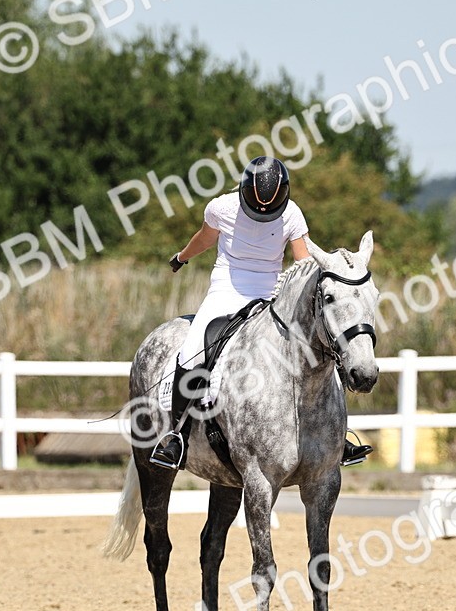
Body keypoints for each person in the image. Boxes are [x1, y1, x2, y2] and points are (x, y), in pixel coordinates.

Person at [149, 156, 373, 470]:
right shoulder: (221, 207)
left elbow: (303, 263)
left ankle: (337, 434)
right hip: (226, 287)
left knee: (321, 346)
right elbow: (204, 238)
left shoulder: (292, 213)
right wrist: (182, 257)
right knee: (192, 350)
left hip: (272, 290)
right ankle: (176, 435)